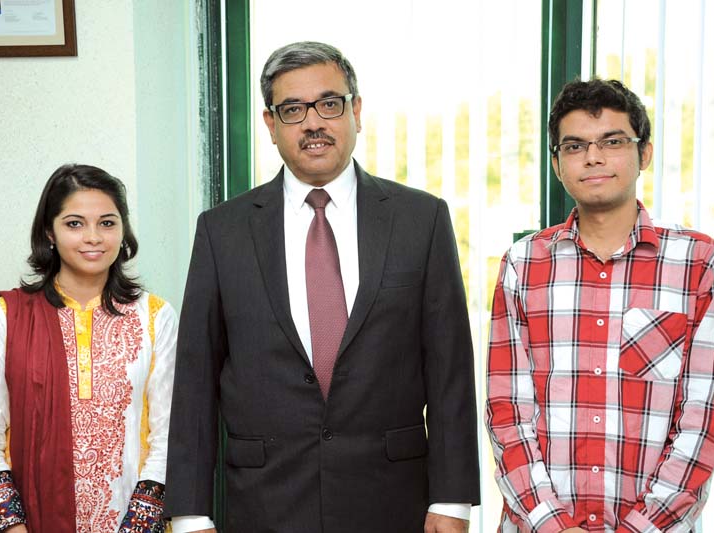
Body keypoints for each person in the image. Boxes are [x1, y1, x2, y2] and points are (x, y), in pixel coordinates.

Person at [164, 41, 480, 533]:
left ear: (355, 111)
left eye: (329, 104)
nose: (313, 122)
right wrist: (189, 512)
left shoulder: (422, 220)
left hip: (392, 501)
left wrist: (453, 501)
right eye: (292, 109)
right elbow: (196, 378)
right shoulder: (221, 231)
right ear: (270, 125)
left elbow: (449, 370)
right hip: (265, 503)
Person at [485, 78, 714, 532]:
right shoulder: (523, 265)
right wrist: (553, 525)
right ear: (557, 164)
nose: (594, 157)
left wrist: (641, 527)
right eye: (575, 146)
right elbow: (507, 413)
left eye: (612, 141)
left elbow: (702, 420)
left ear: (645, 154)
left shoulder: (701, 264)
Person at [0, 164, 178, 533]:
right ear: (50, 231)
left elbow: (170, 435)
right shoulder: (6, 317)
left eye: (107, 223)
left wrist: (139, 527)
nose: (93, 237)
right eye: (75, 223)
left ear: (123, 230)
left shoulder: (156, 316)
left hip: (135, 524)